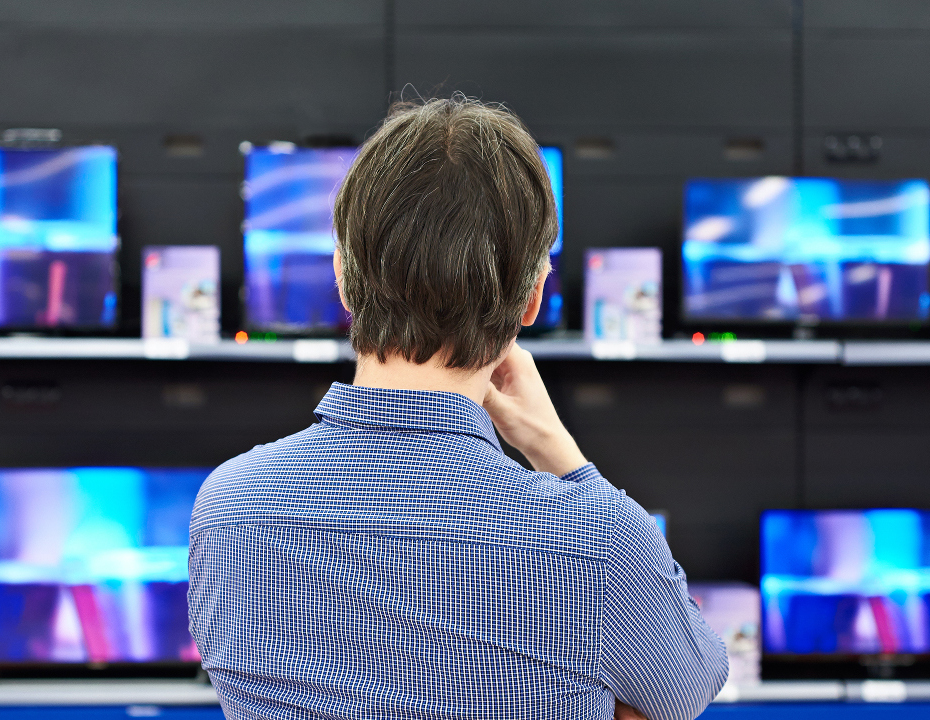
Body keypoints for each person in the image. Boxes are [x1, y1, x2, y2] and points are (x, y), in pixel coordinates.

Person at [188, 97, 728, 720]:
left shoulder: (228, 505)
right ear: (531, 303)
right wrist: (562, 457)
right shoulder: (593, 539)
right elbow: (690, 686)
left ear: (342, 277)